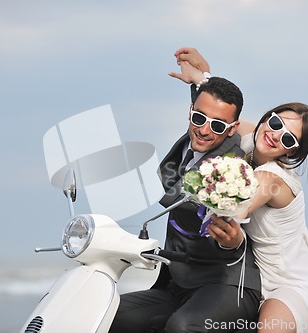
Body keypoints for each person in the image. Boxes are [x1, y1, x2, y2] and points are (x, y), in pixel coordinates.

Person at [171, 48, 308, 333]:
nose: (274, 134)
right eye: (275, 123)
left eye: (287, 138)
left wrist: (225, 219)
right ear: (267, 118)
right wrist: (203, 80)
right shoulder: (250, 142)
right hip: (251, 277)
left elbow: (243, 205)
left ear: (293, 152)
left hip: (287, 283)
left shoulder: (273, 178)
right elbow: (222, 120)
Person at [109, 77, 262, 332]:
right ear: (191, 111)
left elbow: (233, 227)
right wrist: (200, 76)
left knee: (181, 327)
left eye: (217, 125)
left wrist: (232, 243)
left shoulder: (233, 168)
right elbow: (208, 101)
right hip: (178, 282)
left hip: (227, 285)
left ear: (233, 128)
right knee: (108, 314)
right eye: (199, 118)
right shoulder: (194, 139)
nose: (203, 130)